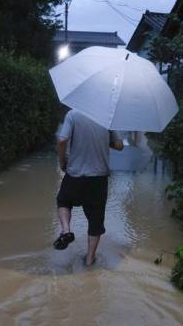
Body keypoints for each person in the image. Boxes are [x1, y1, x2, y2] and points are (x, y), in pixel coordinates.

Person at [53, 109, 124, 266]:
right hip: (98, 179)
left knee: (64, 201)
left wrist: (62, 161)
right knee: (95, 220)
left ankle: (66, 231)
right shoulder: (108, 117)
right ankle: (90, 260)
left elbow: (62, 140)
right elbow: (119, 145)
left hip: (75, 174)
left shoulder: (72, 114)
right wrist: (103, 140)